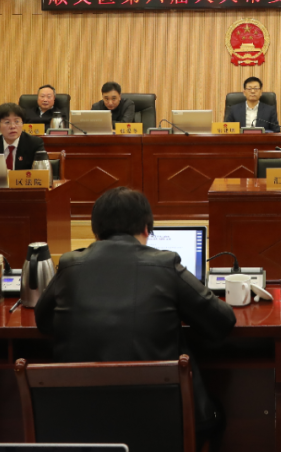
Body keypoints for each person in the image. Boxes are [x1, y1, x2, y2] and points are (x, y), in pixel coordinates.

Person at [35, 187, 236, 446]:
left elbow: (43, 322)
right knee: (217, 414)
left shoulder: (70, 265)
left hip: (80, 426)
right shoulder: (165, 264)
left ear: (96, 232)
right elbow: (222, 322)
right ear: (146, 228)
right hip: (159, 426)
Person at [0, 102, 46, 170]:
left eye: (17, 121)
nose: (12, 126)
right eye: (7, 122)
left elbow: (41, 172)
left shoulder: (34, 143)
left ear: (22, 123)